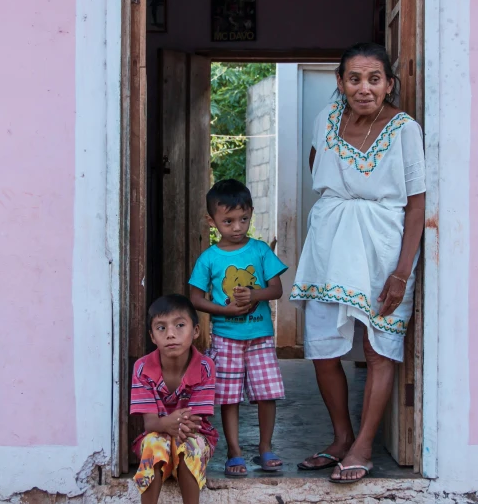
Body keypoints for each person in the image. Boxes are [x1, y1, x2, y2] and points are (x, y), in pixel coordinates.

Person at [291, 43, 426, 484]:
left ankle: (364, 444)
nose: (364, 88)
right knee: (323, 348)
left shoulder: (405, 129)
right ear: (340, 83)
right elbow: (318, 166)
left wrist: (402, 272)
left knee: (379, 346)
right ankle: (340, 438)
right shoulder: (327, 120)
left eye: (374, 79)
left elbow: (417, 204)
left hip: (382, 247)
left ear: (390, 83)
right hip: (331, 245)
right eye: (354, 79)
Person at [189, 179, 288, 477]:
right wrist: (225, 310)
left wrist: (255, 295)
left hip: (260, 337)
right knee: (229, 396)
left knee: (266, 393)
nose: (237, 227)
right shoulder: (209, 258)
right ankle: (235, 451)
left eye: (243, 219)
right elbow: (195, 298)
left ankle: (265, 447)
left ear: (251, 214)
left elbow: (276, 289)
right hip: (226, 338)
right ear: (212, 220)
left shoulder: (259, 251)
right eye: (228, 221)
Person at [130, 295, 218, 504]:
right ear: (152, 336)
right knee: (153, 444)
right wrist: (165, 425)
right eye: (161, 328)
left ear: (195, 331)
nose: (170, 334)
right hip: (157, 436)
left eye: (180, 325)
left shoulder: (205, 367)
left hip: (193, 435)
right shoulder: (142, 368)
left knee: (190, 446)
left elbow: (193, 423)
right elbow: (150, 423)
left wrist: (169, 423)